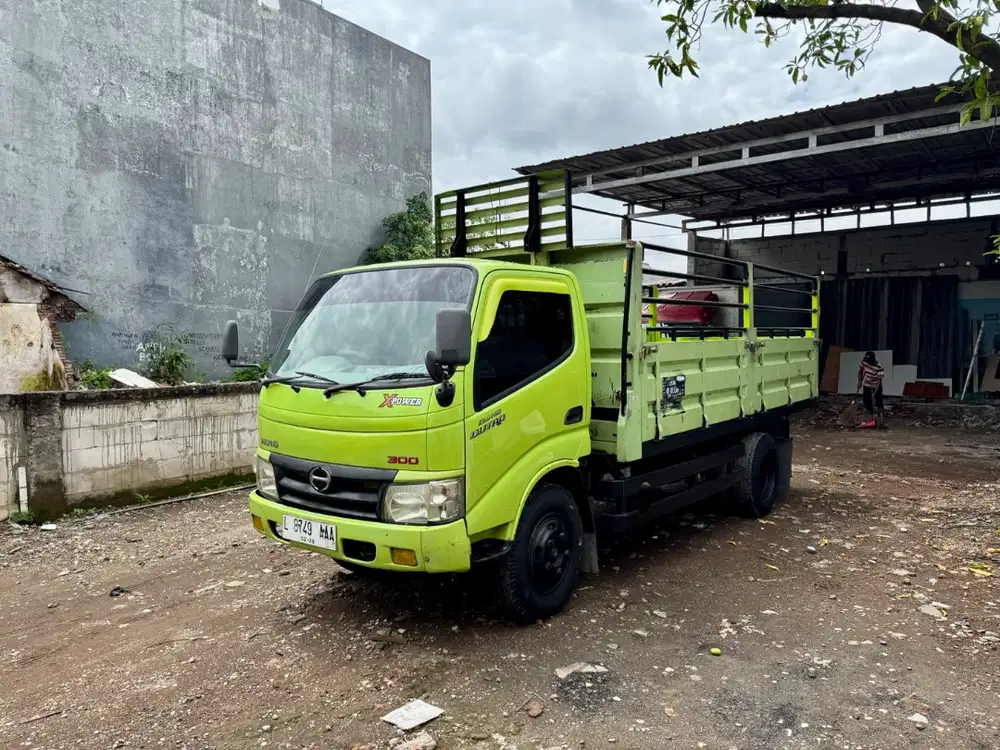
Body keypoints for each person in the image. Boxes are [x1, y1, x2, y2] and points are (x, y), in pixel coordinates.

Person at [856, 351, 885, 429]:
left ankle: (880, 418)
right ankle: (871, 416)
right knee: (867, 401)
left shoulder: (879, 367)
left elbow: (879, 381)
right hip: (867, 385)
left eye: (869, 361)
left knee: (878, 401)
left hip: (876, 385)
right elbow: (860, 371)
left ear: (873, 360)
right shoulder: (864, 362)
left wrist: (874, 393)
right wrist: (859, 381)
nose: (867, 363)